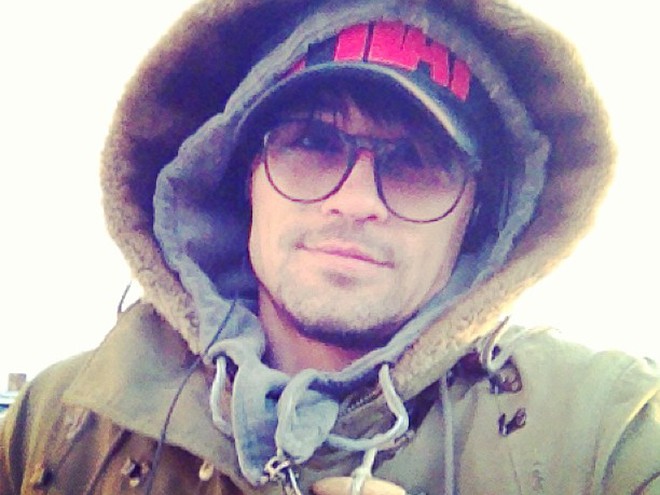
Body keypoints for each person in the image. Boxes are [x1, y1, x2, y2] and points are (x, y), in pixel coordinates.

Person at [1, 0, 658, 493]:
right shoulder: (56, 419)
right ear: (243, 178)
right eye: (313, 142)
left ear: (478, 215)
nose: (357, 199)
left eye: (417, 160)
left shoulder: (608, 427)